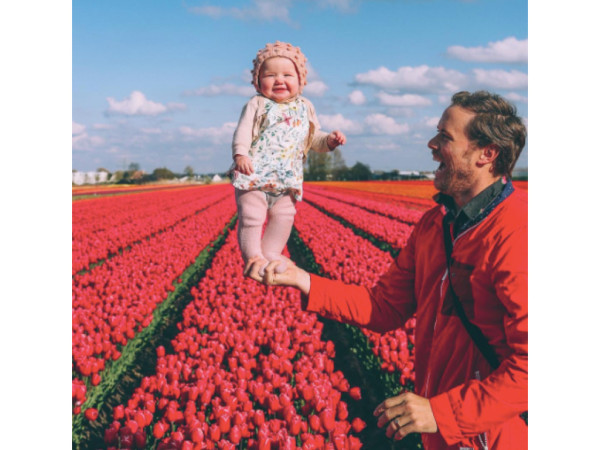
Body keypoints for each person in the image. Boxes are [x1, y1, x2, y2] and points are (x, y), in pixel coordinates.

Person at [245, 90, 528, 449]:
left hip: (492, 434)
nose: (431, 144)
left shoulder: (518, 232)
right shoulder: (436, 225)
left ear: (487, 154)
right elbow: (384, 308)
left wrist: (443, 414)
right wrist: (301, 278)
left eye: (445, 137)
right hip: (438, 430)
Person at [231, 41, 346, 273]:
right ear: (257, 81)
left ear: (300, 80)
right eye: (270, 75)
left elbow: (313, 138)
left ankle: (272, 252)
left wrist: (329, 142)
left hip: (287, 178)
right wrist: (240, 153)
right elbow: (242, 131)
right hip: (254, 174)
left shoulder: (305, 107)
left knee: (284, 216)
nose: (279, 80)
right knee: (252, 215)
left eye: (287, 74)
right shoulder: (258, 104)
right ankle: (253, 256)